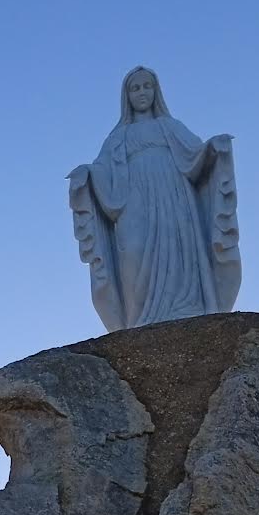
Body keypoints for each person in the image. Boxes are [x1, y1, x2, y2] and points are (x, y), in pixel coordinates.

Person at [68, 66, 241, 331]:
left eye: (147, 86)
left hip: (172, 195)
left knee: (178, 249)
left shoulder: (169, 127)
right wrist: (86, 175)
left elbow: (195, 155)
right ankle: (138, 322)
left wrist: (214, 147)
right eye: (135, 88)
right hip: (134, 200)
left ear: (155, 91)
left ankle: (186, 309)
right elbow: (102, 169)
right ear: (126, 96)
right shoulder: (118, 137)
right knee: (134, 252)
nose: (141, 93)